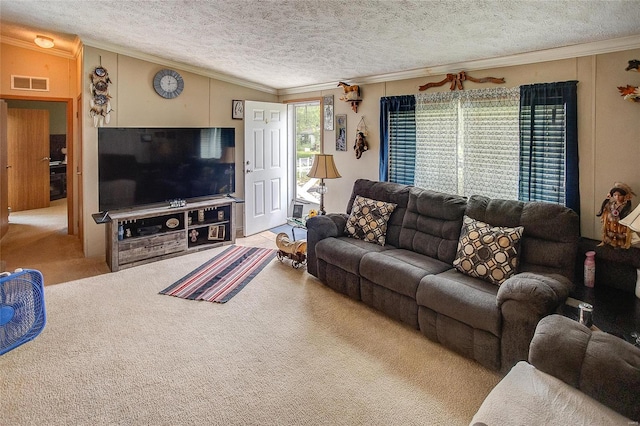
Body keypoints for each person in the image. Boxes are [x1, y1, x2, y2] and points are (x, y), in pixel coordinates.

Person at [596, 182, 635, 248]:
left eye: (620, 195)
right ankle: (611, 244)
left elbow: (629, 215)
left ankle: (620, 246)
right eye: (615, 195)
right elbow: (605, 210)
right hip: (611, 224)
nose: (617, 197)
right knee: (611, 236)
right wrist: (607, 199)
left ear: (624, 196)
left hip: (621, 226)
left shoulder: (626, 206)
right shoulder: (611, 204)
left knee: (620, 238)